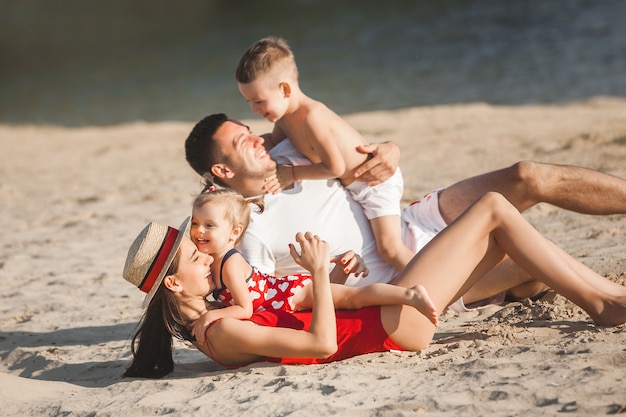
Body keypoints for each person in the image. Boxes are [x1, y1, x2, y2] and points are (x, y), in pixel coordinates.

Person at [121, 192, 626, 377]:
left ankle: (600, 296)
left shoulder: (227, 306)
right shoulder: (218, 333)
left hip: (382, 317)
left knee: (495, 233)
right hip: (389, 329)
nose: (207, 256)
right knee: (493, 207)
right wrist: (319, 274)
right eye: (195, 255)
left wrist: (328, 277)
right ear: (171, 282)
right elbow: (319, 344)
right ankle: (603, 303)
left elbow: (300, 313)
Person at [184, 113, 626, 310]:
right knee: (517, 256)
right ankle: (538, 290)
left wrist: (389, 150)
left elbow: (365, 155)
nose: (257, 138)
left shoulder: (288, 147)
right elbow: (273, 301)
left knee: (527, 175)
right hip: (405, 277)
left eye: (249, 129)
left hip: (410, 221)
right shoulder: (241, 229)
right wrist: (333, 276)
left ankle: (515, 288)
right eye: (244, 141)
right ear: (222, 170)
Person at [235, 36, 413, 272]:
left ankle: (433, 282)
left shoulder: (312, 117)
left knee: (389, 249)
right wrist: (244, 146)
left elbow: (335, 168)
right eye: (249, 102)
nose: (254, 110)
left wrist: (292, 174)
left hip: (374, 184)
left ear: (285, 89)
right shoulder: (285, 118)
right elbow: (274, 141)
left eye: (258, 101)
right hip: (356, 187)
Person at [188, 185, 438, 338]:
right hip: (284, 298)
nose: (199, 231)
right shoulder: (212, 262)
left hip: (290, 293)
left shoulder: (230, 263)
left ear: (234, 233)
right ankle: (363, 278)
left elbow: (245, 309)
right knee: (344, 301)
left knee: (353, 298)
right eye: (195, 223)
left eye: (209, 225)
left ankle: (408, 295)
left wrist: (209, 317)